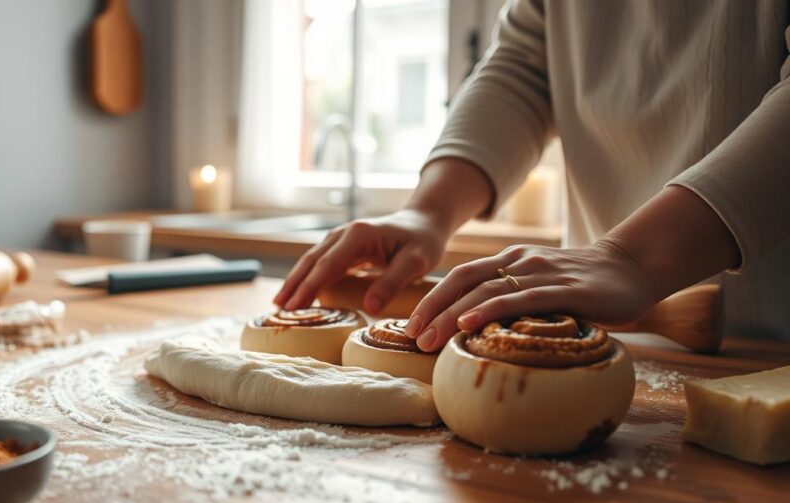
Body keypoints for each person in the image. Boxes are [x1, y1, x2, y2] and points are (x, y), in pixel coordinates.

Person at [275, 0, 790, 350]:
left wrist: (634, 258)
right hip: (592, 333)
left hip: (768, 345)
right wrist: (429, 211)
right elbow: (523, 68)